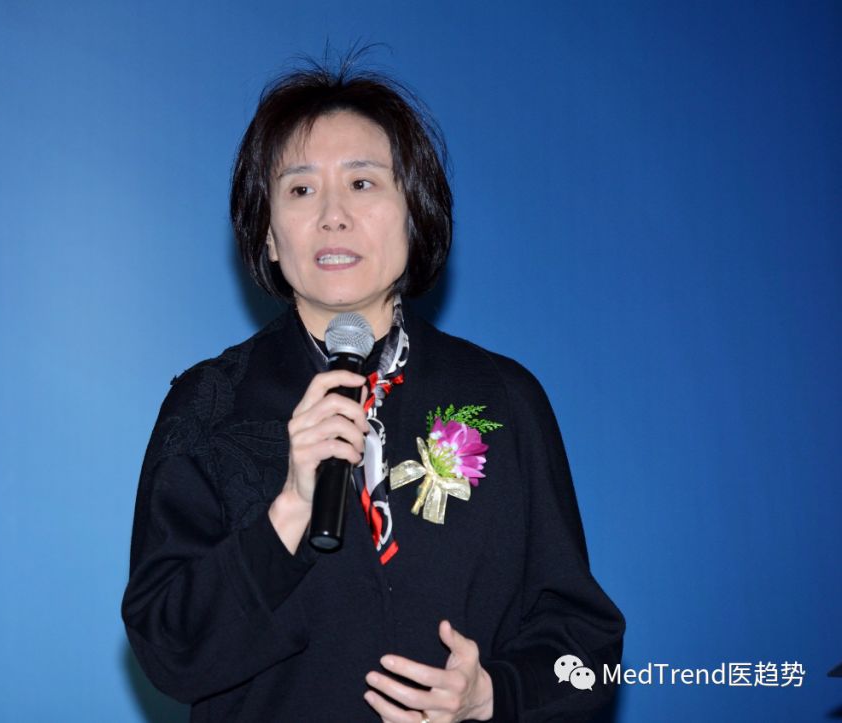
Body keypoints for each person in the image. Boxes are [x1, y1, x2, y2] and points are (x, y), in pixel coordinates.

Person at [122, 57, 624, 722]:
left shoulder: (504, 397)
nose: (333, 215)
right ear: (268, 234)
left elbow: (591, 652)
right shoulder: (208, 405)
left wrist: (492, 694)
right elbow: (167, 650)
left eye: (362, 183)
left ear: (414, 214)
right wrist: (291, 510)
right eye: (301, 190)